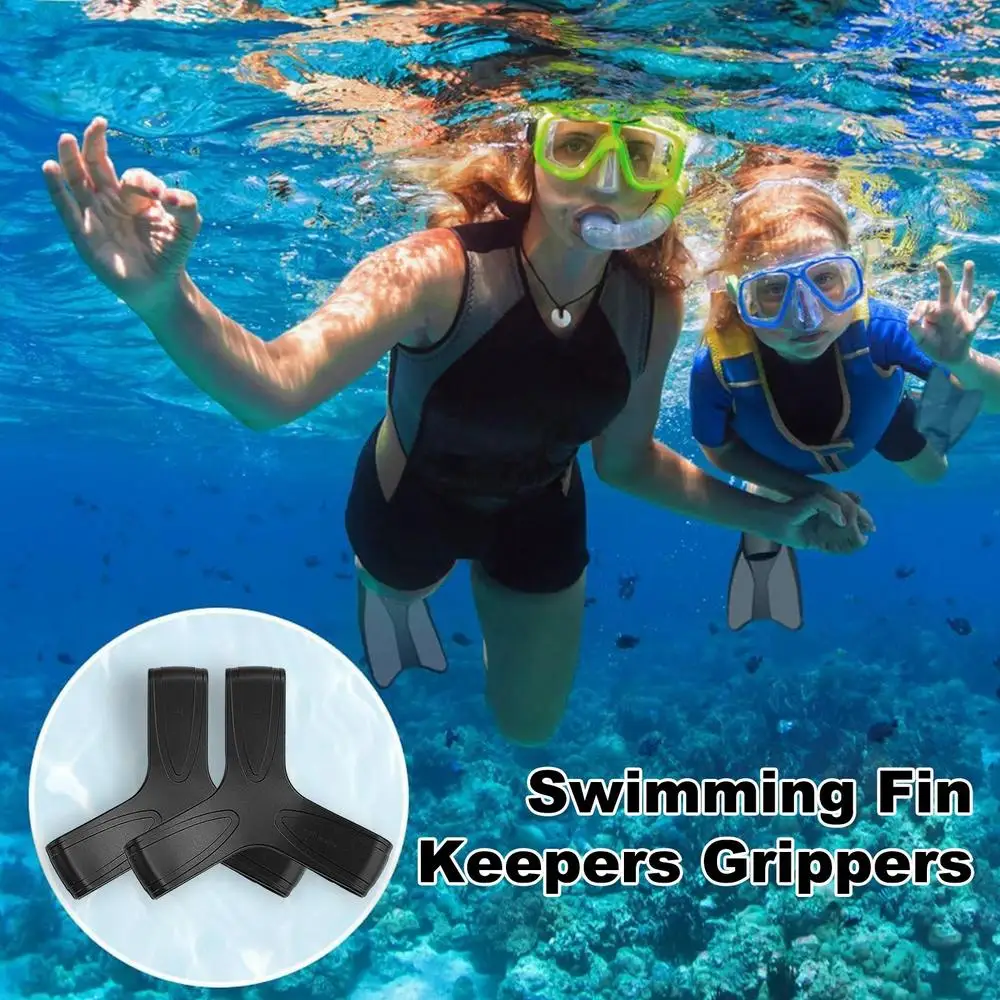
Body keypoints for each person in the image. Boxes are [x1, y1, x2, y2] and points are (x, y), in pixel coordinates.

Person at [43, 106, 868, 748]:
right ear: (532, 158)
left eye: (641, 156)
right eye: (576, 146)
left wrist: (777, 517)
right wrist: (164, 298)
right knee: (400, 586)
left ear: (666, 183)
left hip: (542, 510)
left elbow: (626, 463)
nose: (607, 180)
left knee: (529, 728)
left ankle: (430, 606)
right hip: (410, 497)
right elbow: (274, 390)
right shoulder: (437, 268)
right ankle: (390, 592)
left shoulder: (654, 302)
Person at [689, 150, 1000, 632]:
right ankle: (765, 496)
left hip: (878, 420)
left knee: (933, 472)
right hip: (775, 457)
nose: (806, 316)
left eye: (826, 280)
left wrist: (963, 361)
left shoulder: (882, 329)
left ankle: (923, 402)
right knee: (775, 484)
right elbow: (719, 450)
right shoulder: (716, 364)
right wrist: (808, 492)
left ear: (856, 276)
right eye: (771, 290)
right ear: (735, 296)